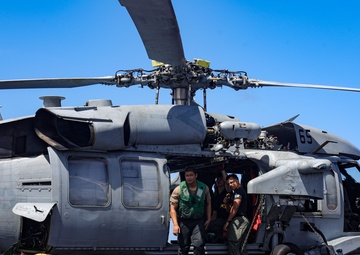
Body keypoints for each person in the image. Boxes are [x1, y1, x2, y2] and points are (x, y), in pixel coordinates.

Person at [170, 167, 212, 255]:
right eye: (187, 175)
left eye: (191, 175)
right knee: (184, 247)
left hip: (198, 221)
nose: (189, 177)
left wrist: (208, 219)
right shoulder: (179, 189)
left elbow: (208, 203)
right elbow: (173, 208)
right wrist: (175, 225)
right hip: (184, 221)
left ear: (196, 176)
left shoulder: (204, 188)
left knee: (199, 245)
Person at [223, 174, 249, 255]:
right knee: (241, 247)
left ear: (237, 181)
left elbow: (235, 208)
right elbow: (229, 210)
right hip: (239, 220)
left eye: (232, 182)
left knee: (233, 243)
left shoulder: (239, 191)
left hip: (239, 219)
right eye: (228, 183)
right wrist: (226, 203)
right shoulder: (234, 193)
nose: (230, 185)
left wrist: (228, 221)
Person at [207, 169, 229, 242]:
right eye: (217, 179)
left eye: (221, 179)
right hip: (217, 219)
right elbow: (214, 214)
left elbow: (227, 183)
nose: (219, 181)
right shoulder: (215, 196)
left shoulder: (226, 192)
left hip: (224, 219)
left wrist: (222, 170)